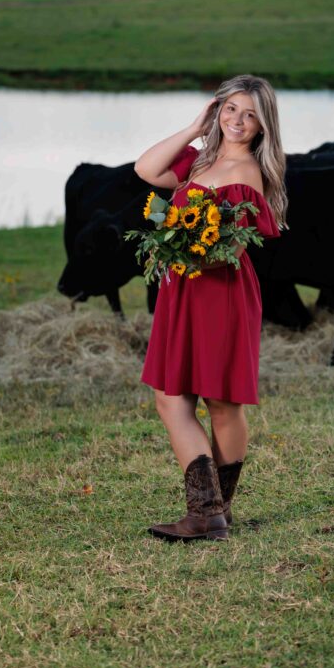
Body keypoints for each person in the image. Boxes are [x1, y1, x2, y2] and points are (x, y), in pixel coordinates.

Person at [134, 75, 288, 541]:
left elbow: (228, 249)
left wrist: (177, 249)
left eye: (250, 115)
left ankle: (208, 513)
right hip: (184, 291)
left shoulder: (245, 173)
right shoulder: (202, 161)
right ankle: (213, 511)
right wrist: (194, 126)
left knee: (219, 402)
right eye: (230, 109)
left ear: (263, 126)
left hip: (219, 291)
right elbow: (146, 169)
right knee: (173, 396)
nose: (238, 121)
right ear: (217, 110)